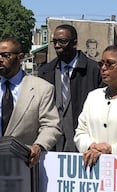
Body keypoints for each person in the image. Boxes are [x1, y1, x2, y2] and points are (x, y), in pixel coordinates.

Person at [0, 37, 62, 166]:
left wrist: (38, 146)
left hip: (24, 164)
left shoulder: (42, 88)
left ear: (20, 57)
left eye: (5, 55)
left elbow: (51, 126)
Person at [38, 24, 102, 152]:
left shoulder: (94, 70)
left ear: (74, 43)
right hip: (54, 143)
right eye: (54, 42)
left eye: (62, 41)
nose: (57, 46)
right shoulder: (46, 71)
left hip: (85, 141)